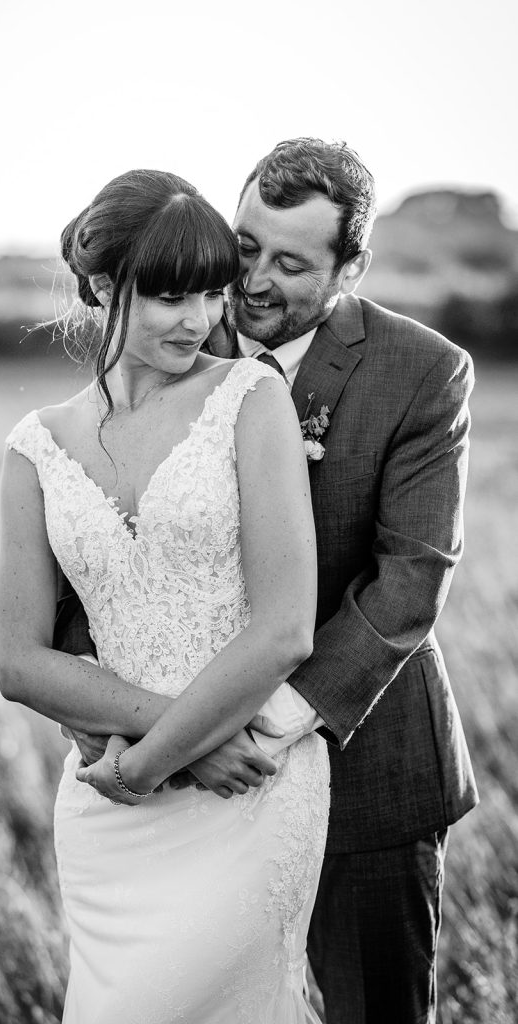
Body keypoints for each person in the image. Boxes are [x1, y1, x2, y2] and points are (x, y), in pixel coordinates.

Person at [60, 140, 479, 1024]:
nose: (251, 280)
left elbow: (410, 580)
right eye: (245, 246)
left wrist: (260, 725)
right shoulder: (167, 332)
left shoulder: (421, 372)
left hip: (366, 765)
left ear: (350, 267)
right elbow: (81, 571)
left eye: (291, 264)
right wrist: (173, 737)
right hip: (186, 790)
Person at [0, 168, 330, 1024]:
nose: (201, 320)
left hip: (243, 791)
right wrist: (168, 743)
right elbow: (19, 659)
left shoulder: (249, 401)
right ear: (105, 287)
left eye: (211, 294)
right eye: (170, 297)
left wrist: (154, 759)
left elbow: (285, 630)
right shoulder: (34, 448)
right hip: (108, 816)